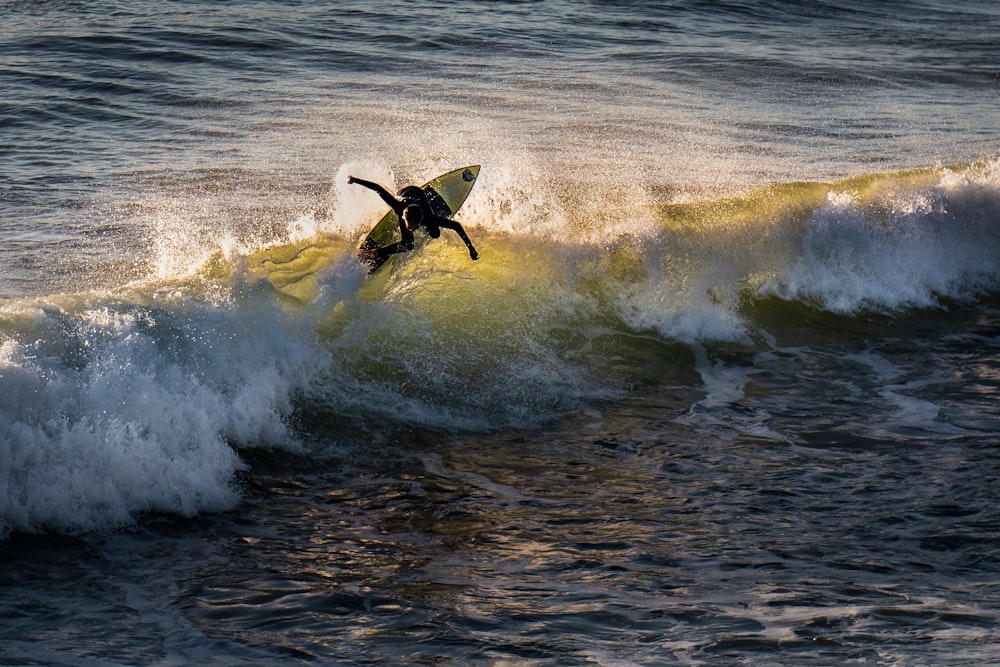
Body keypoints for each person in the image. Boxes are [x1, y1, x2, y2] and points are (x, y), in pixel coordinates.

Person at [348, 175, 479, 264]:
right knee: (408, 245)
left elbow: (456, 226)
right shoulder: (398, 207)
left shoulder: (429, 218)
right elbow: (378, 188)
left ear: (421, 221)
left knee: (435, 234)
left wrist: (470, 248)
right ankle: (375, 252)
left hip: (420, 194)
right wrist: (354, 180)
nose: (412, 230)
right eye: (411, 227)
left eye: (415, 227)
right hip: (405, 192)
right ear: (404, 217)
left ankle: (430, 197)